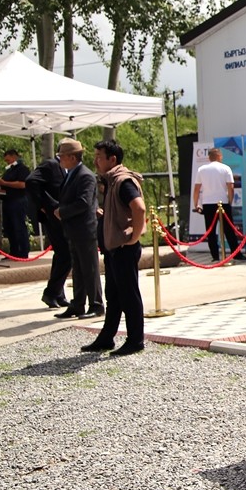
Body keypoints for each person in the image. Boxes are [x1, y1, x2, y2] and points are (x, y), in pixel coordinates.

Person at [83, 139, 147, 355]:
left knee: (129, 294)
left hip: (123, 248)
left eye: (99, 157)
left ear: (112, 159)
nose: (95, 162)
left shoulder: (123, 181)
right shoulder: (111, 181)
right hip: (113, 248)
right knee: (114, 294)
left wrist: (134, 237)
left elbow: (139, 208)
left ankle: (135, 340)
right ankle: (106, 337)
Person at [53, 139, 103, 320]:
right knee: (79, 269)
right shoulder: (71, 174)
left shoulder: (85, 176)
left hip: (84, 229)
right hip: (74, 229)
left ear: (72, 157)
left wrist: (62, 212)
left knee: (89, 268)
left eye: (62, 156)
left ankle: (96, 304)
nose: (60, 160)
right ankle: (78, 304)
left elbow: (84, 202)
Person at [25, 148, 71, 308]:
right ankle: (51, 292)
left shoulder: (67, 168)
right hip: (53, 217)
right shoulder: (50, 165)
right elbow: (31, 181)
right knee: (66, 254)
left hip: (63, 216)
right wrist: (44, 205)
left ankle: (58, 293)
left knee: (61, 255)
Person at [192, 147, 246, 262]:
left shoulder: (202, 169)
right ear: (219, 156)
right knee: (229, 230)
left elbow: (197, 189)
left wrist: (196, 204)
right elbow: (231, 187)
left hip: (207, 203)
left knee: (210, 231)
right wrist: (229, 201)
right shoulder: (226, 168)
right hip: (223, 202)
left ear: (209, 157)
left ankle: (215, 256)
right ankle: (236, 254)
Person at [0, 148, 31, 258]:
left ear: (14, 156)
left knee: (18, 226)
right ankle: (14, 251)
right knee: (9, 227)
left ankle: (23, 251)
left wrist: (4, 183)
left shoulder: (22, 169)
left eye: (8, 160)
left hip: (18, 201)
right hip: (7, 201)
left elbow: (22, 184)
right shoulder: (9, 170)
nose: (7, 162)